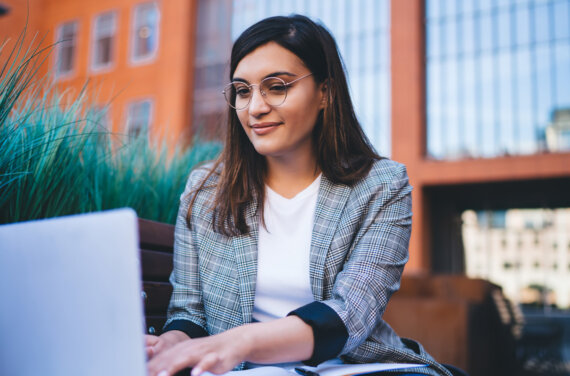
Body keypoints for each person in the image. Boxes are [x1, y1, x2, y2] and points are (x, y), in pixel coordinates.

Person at [146, 14, 452, 376]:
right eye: (243, 91)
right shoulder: (205, 191)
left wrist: (243, 340)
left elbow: (351, 311)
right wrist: (173, 343)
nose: (256, 107)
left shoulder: (382, 186)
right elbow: (189, 313)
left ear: (325, 92)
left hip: (349, 368)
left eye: (277, 87)